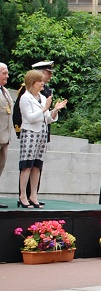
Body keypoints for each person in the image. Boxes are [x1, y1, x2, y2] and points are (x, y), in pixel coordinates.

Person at [17, 69, 67, 208]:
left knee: (37, 166)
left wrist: (55, 109)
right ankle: (23, 195)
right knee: (27, 165)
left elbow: (48, 119)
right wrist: (45, 108)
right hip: (30, 133)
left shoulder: (42, 97)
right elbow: (30, 118)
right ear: (33, 83)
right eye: (40, 81)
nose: (42, 84)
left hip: (42, 134)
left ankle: (34, 195)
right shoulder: (25, 98)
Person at [0, 63, 14, 207]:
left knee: (1, 166)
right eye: (4, 73)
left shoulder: (5, 91)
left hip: (4, 137)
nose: (7, 76)